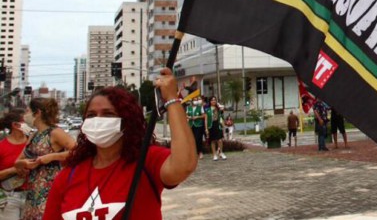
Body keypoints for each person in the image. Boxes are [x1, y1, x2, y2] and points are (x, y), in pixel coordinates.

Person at [42, 68, 197, 220]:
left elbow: (183, 166)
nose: (98, 120)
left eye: (108, 114)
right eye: (91, 115)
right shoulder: (67, 176)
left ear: (126, 120)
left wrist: (171, 100)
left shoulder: (146, 160)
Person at [15, 98, 76, 220]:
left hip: (51, 190)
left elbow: (77, 151)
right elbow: (17, 162)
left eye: (28, 111)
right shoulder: (34, 135)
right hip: (33, 192)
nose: (25, 115)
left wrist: (52, 157)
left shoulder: (55, 132)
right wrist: (24, 163)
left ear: (37, 113)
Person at [0, 109, 33, 220]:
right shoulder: (2, 146)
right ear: (15, 125)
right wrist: (15, 169)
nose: (29, 122)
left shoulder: (33, 143)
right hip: (10, 197)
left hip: (32, 195)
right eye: (25, 120)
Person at [205, 97, 226, 161]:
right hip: (211, 126)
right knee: (213, 140)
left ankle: (221, 152)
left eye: (214, 100)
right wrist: (206, 128)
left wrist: (223, 125)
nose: (213, 101)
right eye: (212, 100)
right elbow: (206, 120)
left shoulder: (218, 108)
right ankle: (214, 154)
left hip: (218, 125)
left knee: (220, 140)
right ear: (210, 101)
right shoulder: (207, 110)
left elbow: (222, 115)